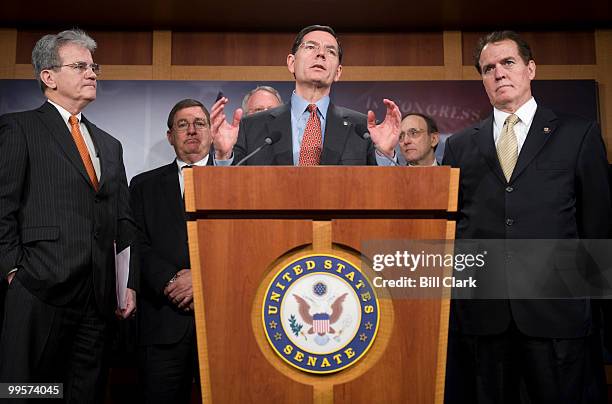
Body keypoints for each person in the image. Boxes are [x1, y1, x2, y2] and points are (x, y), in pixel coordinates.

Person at [442, 31, 610, 403]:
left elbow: (597, 228)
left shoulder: (578, 134)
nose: (499, 73)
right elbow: (452, 231)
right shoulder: (459, 145)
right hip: (484, 322)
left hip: (557, 317)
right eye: (488, 68)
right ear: (482, 79)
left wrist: (598, 317)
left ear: (530, 69)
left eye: (508, 63)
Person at [0, 29, 137, 402]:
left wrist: (129, 282)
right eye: (80, 66)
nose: (92, 74)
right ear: (48, 76)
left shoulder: (110, 144)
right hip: (39, 290)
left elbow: (123, 220)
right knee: (26, 393)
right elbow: (3, 206)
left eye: (94, 67)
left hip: (97, 300)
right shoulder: (19, 128)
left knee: (84, 393)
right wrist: (14, 271)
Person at [209, 25, 401, 166]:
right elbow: (228, 193)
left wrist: (385, 154)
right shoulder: (251, 126)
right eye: (310, 47)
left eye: (330, 51)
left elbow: (383, 193)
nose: (321, 54)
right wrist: (223, 156)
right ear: (291, 63)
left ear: (338, 72)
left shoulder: (362, 129)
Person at [130, 99, 210, 403]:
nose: (192, 130)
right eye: (182, 124)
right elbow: (136, 242)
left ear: (212, 133)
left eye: (200, 123)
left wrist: (200, 279)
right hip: (162, 324)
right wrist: (171, 280)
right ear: (170, 136)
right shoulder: (142, 186)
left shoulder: (234, 182)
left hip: (220, 326)